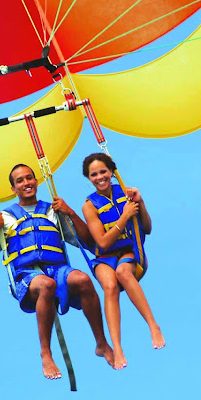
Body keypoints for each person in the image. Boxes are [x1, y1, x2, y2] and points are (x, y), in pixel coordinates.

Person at [0, 164, 114, 380]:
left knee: (84, 280)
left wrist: (69, 212)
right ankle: (46, 354)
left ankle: (101, 343)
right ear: (13, 188)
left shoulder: (52, 211)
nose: (26, 183)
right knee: (45, 285)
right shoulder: (5, 217)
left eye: (29, 178)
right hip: (26, 276)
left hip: (57, 269)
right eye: (20, 181)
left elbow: (87, 242)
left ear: (36, 181)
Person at [81, 152, 165, 370]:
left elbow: (147, 228)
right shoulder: (89, 206)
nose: (100, 177)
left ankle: (153, 325)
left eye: (103, 172)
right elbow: (102, 242)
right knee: (109, 286)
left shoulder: (127, 193)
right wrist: (125, 216)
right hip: (105, 257)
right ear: (88, 178)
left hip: (130, 253)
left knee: (123, 273)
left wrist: (141, 202)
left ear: (111, 172)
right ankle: (117, 348)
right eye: (94, 174)